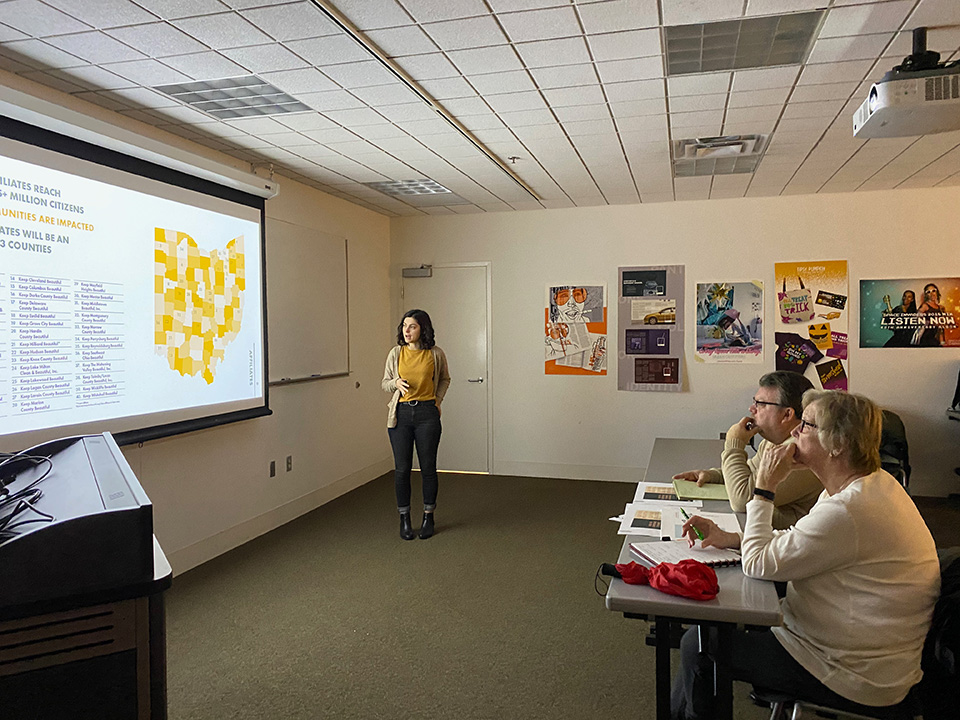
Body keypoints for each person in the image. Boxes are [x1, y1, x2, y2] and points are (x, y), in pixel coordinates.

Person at [672, 391, 940, 719]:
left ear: (838, 443)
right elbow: (801, 541)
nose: (795, 432)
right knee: (727, 618)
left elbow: (758, 564)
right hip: (868, 655)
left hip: (852, 673)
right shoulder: (869, 483)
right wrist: (731, 538)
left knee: (698, 646)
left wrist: (764, 488)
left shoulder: (849, 509)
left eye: (807, 425)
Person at [672, 371, 821, 529]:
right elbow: (750, 474)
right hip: (763, 533)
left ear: (787, 414)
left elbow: (742, 501)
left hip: (785, 543)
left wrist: (734, 444)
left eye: (761, 404)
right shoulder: (774, 442)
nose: (752, 409)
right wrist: (712, 475)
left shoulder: (798, 451)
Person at [381, 309, 450, 541]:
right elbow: (384, 383)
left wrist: (438, 401)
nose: (407, 331)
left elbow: (444, 379)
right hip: (400, 414)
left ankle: (428, 516)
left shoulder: (435, 354)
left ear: (423, 328)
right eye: (404, 326)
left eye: (412, 326)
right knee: (402, 469)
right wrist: (395, 383)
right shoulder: (396, 353)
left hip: (427, 414)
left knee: (428, 468)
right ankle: (404, 519)